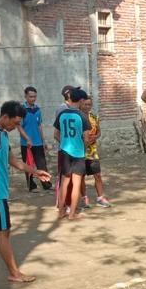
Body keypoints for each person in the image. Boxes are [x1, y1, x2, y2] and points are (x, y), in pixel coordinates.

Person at [0, 101, 51, 282]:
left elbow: (14, 161)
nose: (16, 126)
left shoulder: (2, 134)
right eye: (16, 122)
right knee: (4, 232)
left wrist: (35, 171)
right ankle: (15, 273)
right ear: (5, 117)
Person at [54, 88, 90, 220]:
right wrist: (83, 147)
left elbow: (56, 134)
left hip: (64, 151)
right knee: (76, 183)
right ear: (80, 100)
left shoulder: (62, 114)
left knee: (64, 182)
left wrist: (65, 142)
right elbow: (86, 138)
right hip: (78, 153)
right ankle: (72, 213)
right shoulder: (82, 116)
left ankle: (61, 211)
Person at [17, 86, 52, 192]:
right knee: (28, 164)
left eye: (34, 97)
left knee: (42, 164)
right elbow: (19, 126)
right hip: (26, 144)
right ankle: (31, 186)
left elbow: (39, 125)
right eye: (31, 96)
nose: (33, 99)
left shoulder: (37, 109)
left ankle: (47, 184)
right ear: (25, 96)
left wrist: (43, 141)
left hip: (38, 142)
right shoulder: (21, 110)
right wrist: (27, 139)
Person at [79, 96, 111, 208]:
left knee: (97, 175)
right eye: (85, 104)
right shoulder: (77, 117)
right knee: (81, 176)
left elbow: (99, 132)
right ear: (81, 104)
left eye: (89, 104)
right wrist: (84, 140)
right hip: (80, 151)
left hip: (92, 151)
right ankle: (84, 198)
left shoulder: (94, 117)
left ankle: (100, 197)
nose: (87, 107)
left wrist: (95, 137)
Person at [54, 85, 80, 211]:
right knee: (65, 177)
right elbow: (57, 132)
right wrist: (67, 144)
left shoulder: (70, 109)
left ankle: (65, 203)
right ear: (69, 94)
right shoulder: (63, 109)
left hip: (69, 148)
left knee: (68, 178)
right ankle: (64, 204)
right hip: (66, 150)